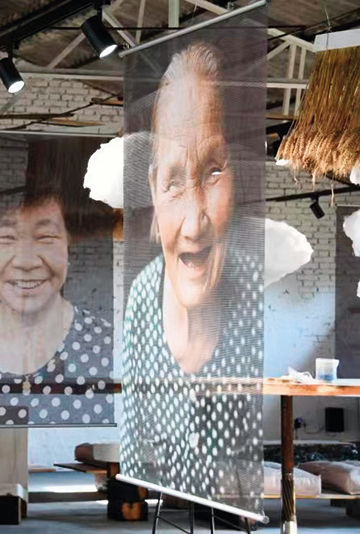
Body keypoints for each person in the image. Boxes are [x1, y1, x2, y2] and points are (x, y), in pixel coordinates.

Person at [120, 43, 263, 502]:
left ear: (238, 178)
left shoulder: (250, 290)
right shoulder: (143, 298)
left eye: (213, 172)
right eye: (174, 182)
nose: (194, 223)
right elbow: (133, 434)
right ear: (152, 190)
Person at [0, 194, 113, 426]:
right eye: (6, 238)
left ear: (69, 249)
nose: (26, 262)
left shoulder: (110, 346)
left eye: (46, 238)